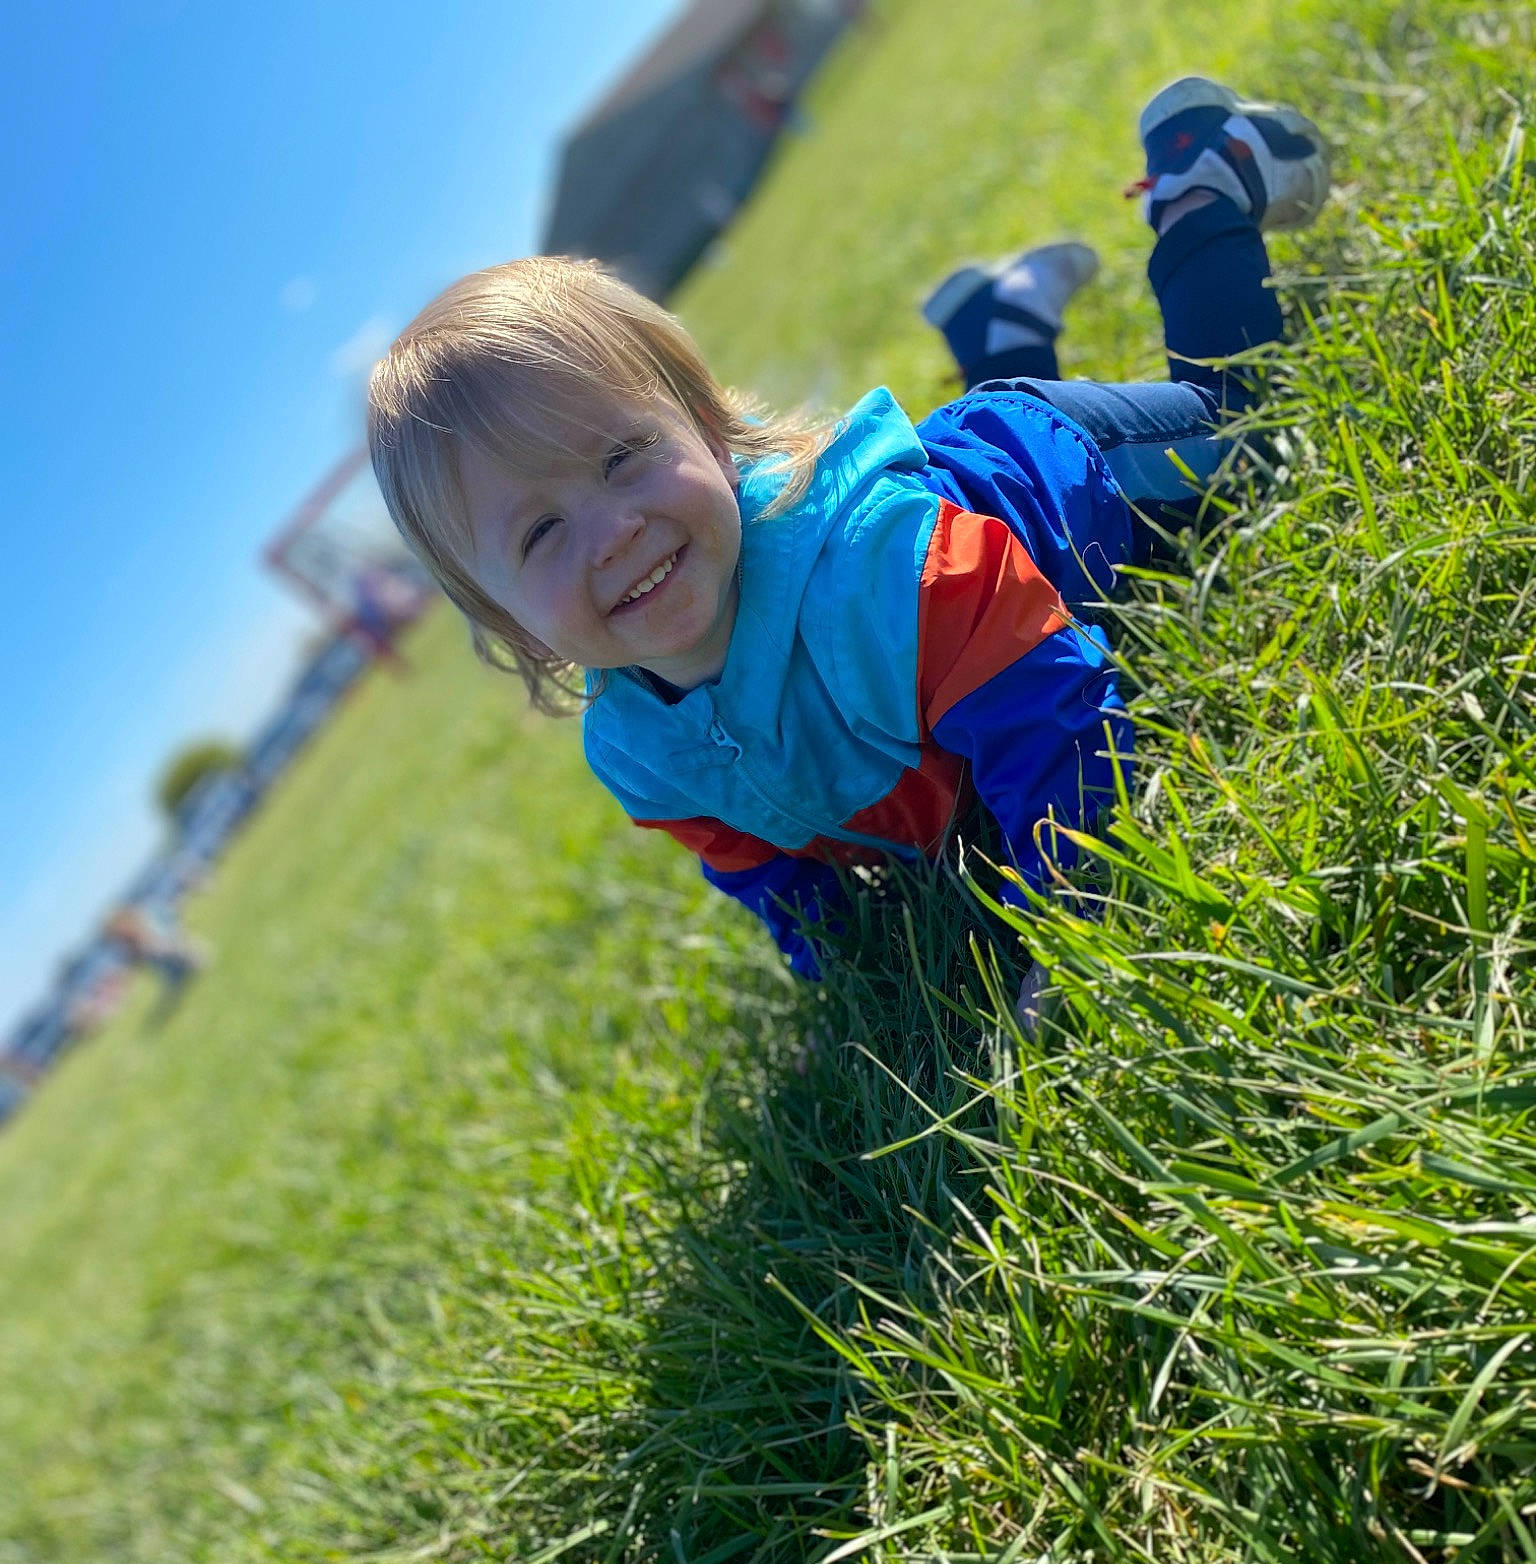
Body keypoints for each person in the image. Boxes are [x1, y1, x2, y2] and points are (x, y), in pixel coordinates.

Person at [367, 78, 1328, 1010]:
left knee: (1245, 431)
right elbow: (761, 866)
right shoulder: (640, 747)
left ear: (706, 428)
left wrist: (1071, 923)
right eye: (540, 530)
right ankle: (1002, 322)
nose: (614, 530)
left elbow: (1058, 726)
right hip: (969, 539)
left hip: (1054, 471)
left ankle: (1205, 181)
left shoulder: (883, 572)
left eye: (624, 457)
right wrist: (840, 967)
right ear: (507, 618)